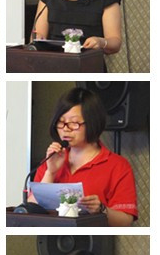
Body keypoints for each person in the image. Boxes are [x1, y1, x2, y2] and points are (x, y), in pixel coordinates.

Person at [32, 87, 137, 226]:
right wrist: (50, 172)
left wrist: (101, 210)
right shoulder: (51, 159)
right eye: (61, 122)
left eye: (74, 123)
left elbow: (126, 220)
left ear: (93, 123)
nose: (66, 129)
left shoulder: (118, 166)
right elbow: (31, 209)